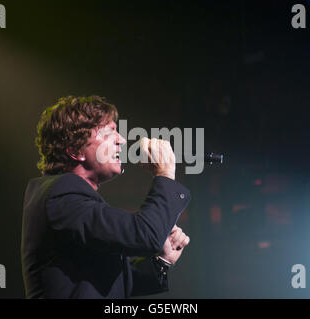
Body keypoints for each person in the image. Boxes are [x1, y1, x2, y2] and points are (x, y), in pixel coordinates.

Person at [21, 95, 191, 298]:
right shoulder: (61, 194)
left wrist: (161, 261)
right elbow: (145, 234)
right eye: (109, 132)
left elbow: (108, 282)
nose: (122, 140)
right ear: (76, 150)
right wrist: (165, 175)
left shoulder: (72, 199)